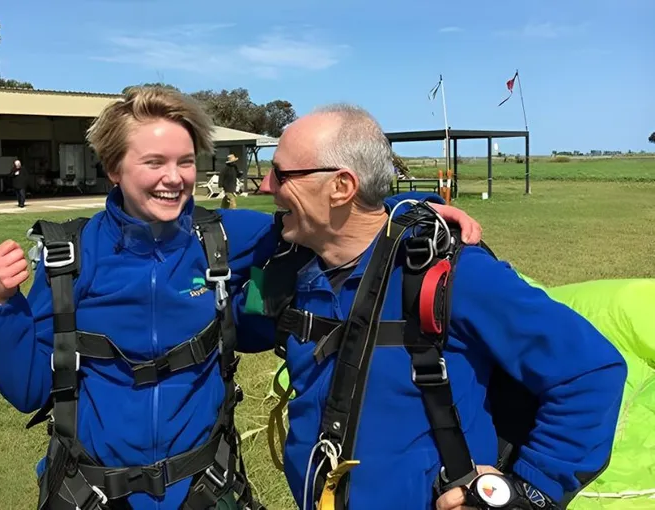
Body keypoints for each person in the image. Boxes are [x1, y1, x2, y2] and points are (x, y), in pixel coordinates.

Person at [0, 87, 483, 510]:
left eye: (185, 161)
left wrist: (411, 207)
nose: (174, 177)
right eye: (153, 162)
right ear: (113, 168)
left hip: (203, 489)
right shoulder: (71, 256)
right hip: (93, 493)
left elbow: (329, 212)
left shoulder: (221, 237)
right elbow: (28, 390)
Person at [240, 104, 628, 510]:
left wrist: (529, 492)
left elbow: (591, 371)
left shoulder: (453, 275)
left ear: (341, 186)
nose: (265, 186)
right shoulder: (286, 264)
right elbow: (233, 312)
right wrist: (414, 204)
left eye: (280, 174)